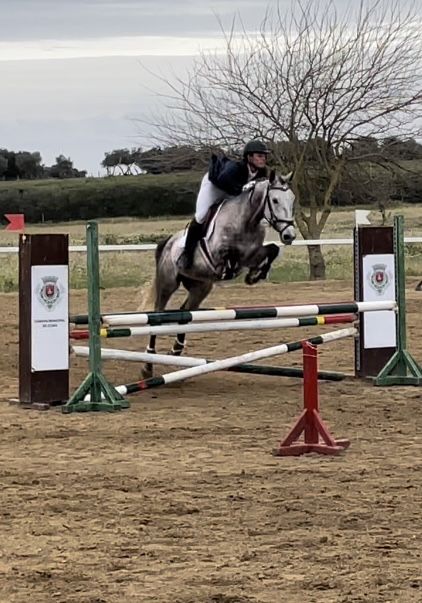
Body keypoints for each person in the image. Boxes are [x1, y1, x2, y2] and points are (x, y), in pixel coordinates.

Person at [182, 139, 270, 269]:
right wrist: (243, 188)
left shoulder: (262, 172)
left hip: (233, 190)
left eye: (264, 156)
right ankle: (187, 255)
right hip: (215, 187)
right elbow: (224, 180)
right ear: (249, 157)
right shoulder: (235, 167)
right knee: (201, 216)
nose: (263, 159)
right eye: (260, 156)